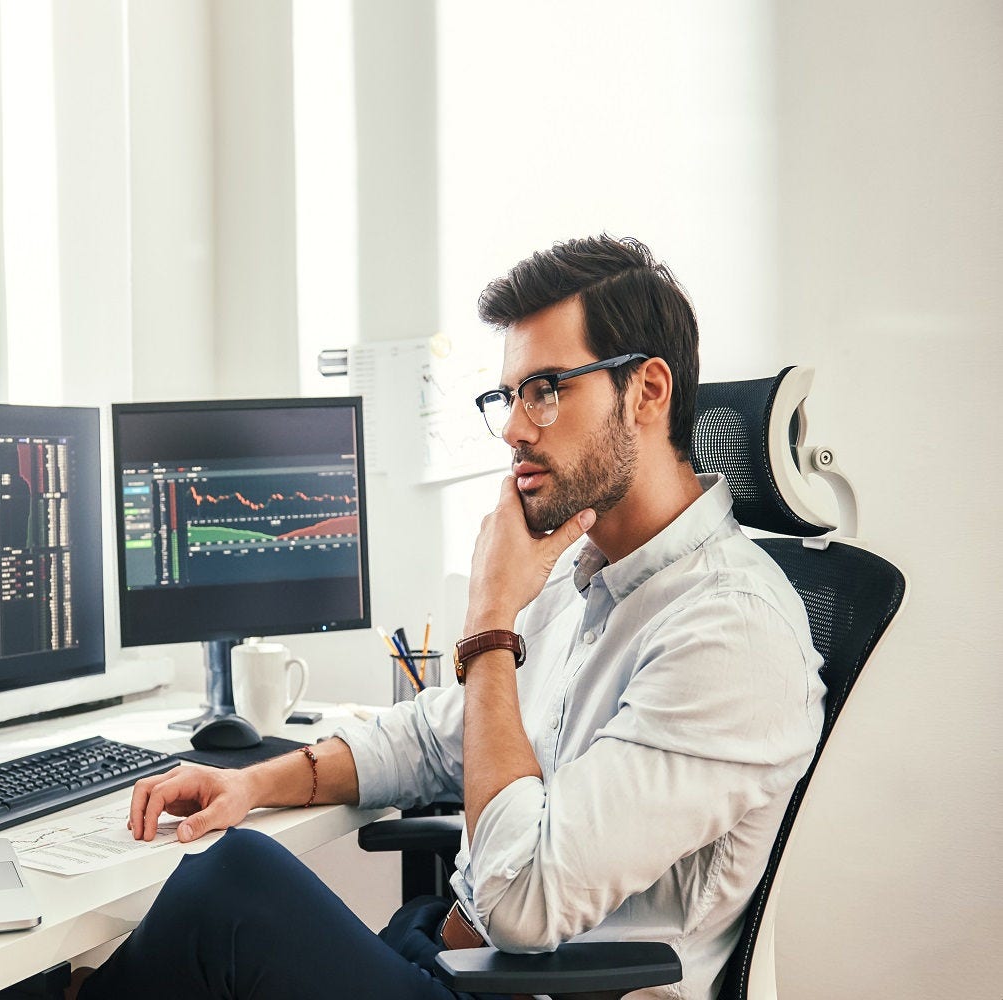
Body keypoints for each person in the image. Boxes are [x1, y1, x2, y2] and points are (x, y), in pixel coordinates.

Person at [69, 235, 824, 1000]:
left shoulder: (732, 631)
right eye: (509, 396)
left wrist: (491, 620)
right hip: (447, 955)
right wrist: (256, 783)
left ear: (648, 392)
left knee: (229, 890)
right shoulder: (586, 573)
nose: (515, 428)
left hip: (532, 987)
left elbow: (522, 901)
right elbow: (438, 734)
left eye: (548, 388)